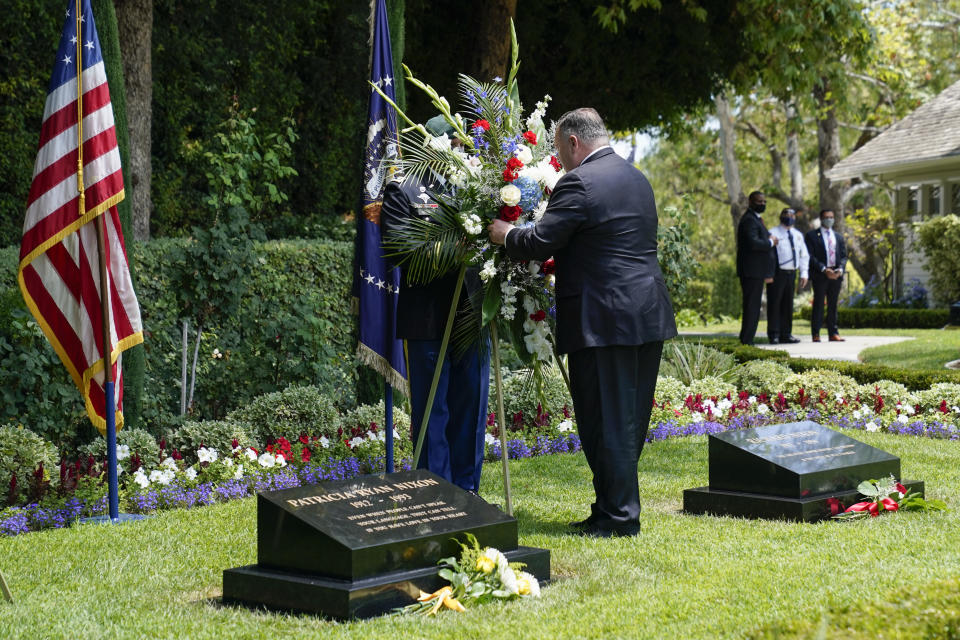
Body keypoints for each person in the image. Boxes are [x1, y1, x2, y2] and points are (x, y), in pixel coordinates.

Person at [488, 107, 676, 537]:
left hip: (604, 320)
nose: (562, 160)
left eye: (560, 150)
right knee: (628, 419)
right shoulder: (636, 178)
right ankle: (612, 506)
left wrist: (504, 234)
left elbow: (540, 241)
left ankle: (619, 517)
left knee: (603, 419)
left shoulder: (580, 181)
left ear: (574, 143)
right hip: (646, 314)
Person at [380, 115, 490, 493]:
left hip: (472, 316)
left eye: (462, 146)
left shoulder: (478, 186)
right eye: (454, 144)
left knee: (470, 408)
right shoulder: (403, 189)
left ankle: (467, 491)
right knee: (433, 411)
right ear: (434, 144)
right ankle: (435, 493)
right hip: (426, 320)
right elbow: (397, 250)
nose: (460, 152)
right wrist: (453, 250)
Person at [736, 191, 777, 345]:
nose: (762, 204)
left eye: (764, 201)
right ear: (750, 202)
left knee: (753, 306)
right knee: (751, 306)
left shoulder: (756, 219)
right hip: (751, 271)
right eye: (759, 201)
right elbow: (754, 243)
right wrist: (771, 242)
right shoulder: (749, 220)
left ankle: (747, 339)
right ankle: (746, 341)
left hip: (757, 271)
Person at [767, 208, 809, 344]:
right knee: (775, 304)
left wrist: (804, 273)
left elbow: (804, 255)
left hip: (792, 273)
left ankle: (786, 334)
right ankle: (774, 334)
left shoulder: (797, 235)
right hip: (777, 273)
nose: (789, 217)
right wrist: (768, 274)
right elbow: (769, 256)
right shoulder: (773, 232)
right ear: (781, 216)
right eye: (786, 214)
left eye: (792, 215)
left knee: (787, 304)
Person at [805, 209, 847, 342]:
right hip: (820, 275)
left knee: (833, 304)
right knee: (818, 304)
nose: (829, 219)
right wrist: (824, 269)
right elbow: (809, 256)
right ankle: (816, 333)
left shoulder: (838, 237)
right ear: (821, 219)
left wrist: (840, 269)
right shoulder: (812, 235)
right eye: (826, 217)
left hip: (836, 275)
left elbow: (844, 256)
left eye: (831, 217)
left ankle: (833, 333)